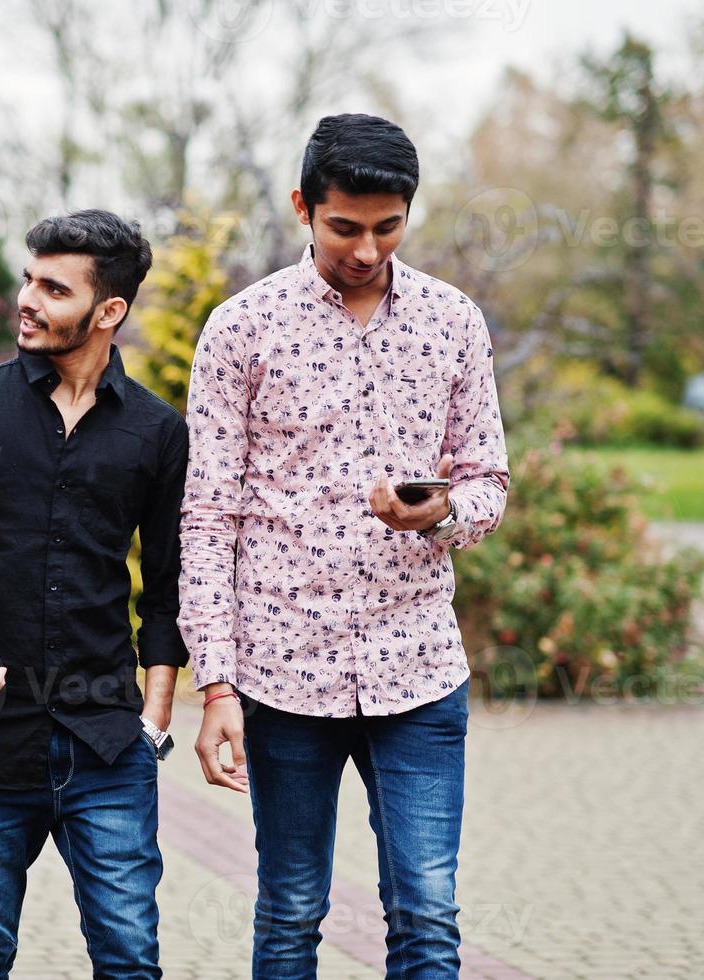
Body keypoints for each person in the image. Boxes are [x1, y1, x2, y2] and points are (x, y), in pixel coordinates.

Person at [180, 114, 510, 979]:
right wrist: (216, 682)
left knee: (427, 915)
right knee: (290, 911)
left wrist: (435, 516)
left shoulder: (453, 321)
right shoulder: (240, 330)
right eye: (344, 227)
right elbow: (208, 518)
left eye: (387, 226)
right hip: (284, 674)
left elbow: (487, 483)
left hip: (419, 670)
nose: (366, 249)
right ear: (302, 207)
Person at [0, 210, 188, 979]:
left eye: (53, 288)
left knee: (130, 957)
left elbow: (166, 589)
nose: (26, 298)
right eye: (28, 278)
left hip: (108, 744)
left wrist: (154, 714)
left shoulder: (157, 432)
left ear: (109, 311)